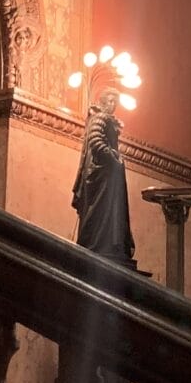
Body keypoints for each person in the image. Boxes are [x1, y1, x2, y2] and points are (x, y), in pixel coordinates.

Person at [71, 83, 135, 265]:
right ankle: (98, 243)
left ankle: (102, 243)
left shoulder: (103, 119)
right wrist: (114, 158)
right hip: (100, 176)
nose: (113, 105)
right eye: (110, 101)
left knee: (106, 212)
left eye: (115, 102)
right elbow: (96, 140)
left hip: (104, 176)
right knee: (100, 211)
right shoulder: (100, 118)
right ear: (103, 101)